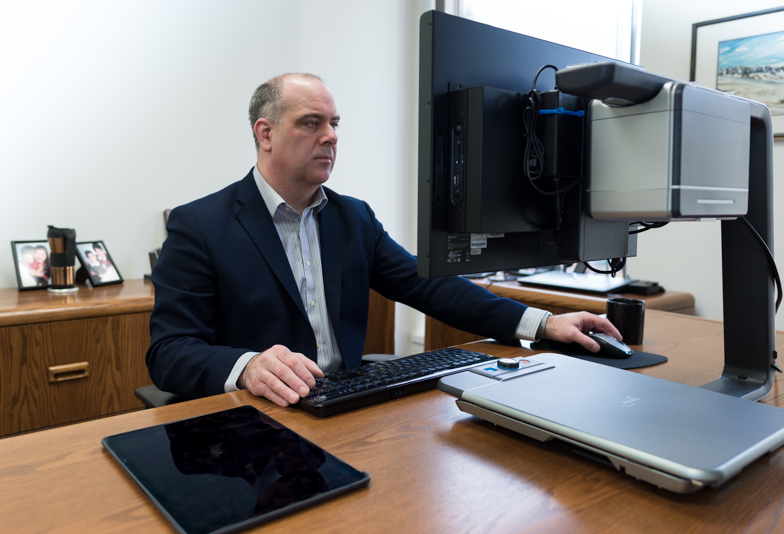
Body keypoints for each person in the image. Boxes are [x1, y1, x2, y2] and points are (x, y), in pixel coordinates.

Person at [147, 73, 621, 407]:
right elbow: (169, 353)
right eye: (312, 123)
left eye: (335, 124)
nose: (331, 136)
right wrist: (247, 366)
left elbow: (428, 285)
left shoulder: (353, 218)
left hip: (344, 406)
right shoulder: (199, 226)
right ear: (265, 133)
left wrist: (540, 323)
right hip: (259, 418)